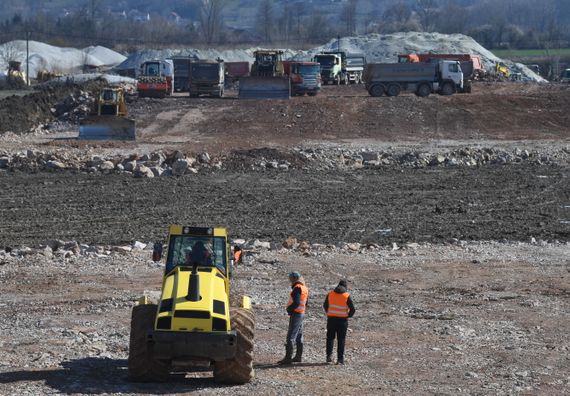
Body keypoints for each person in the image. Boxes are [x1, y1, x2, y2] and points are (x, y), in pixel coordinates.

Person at [278, 271, 309, 364]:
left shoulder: (297, 288)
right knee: (299, 335)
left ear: (294, 278)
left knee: (291, 336)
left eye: (290, 278)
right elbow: (306, 303)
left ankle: (288, 358)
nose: (289, 280)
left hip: (296, 314)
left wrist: (289, 309)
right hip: (301, 313)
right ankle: (298, 356)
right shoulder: (304, 288)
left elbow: (296, 302)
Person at [323, 279, 356, 365]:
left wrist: (329, 313)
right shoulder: (346, 295)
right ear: (345, 287)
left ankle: (329, 356)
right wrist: (348, 315)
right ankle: (340, 359)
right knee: (341, 339)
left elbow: (325, 305)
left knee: (330, 338)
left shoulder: (330, 294)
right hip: (342, 321)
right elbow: (352, 309)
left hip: (331, 319)